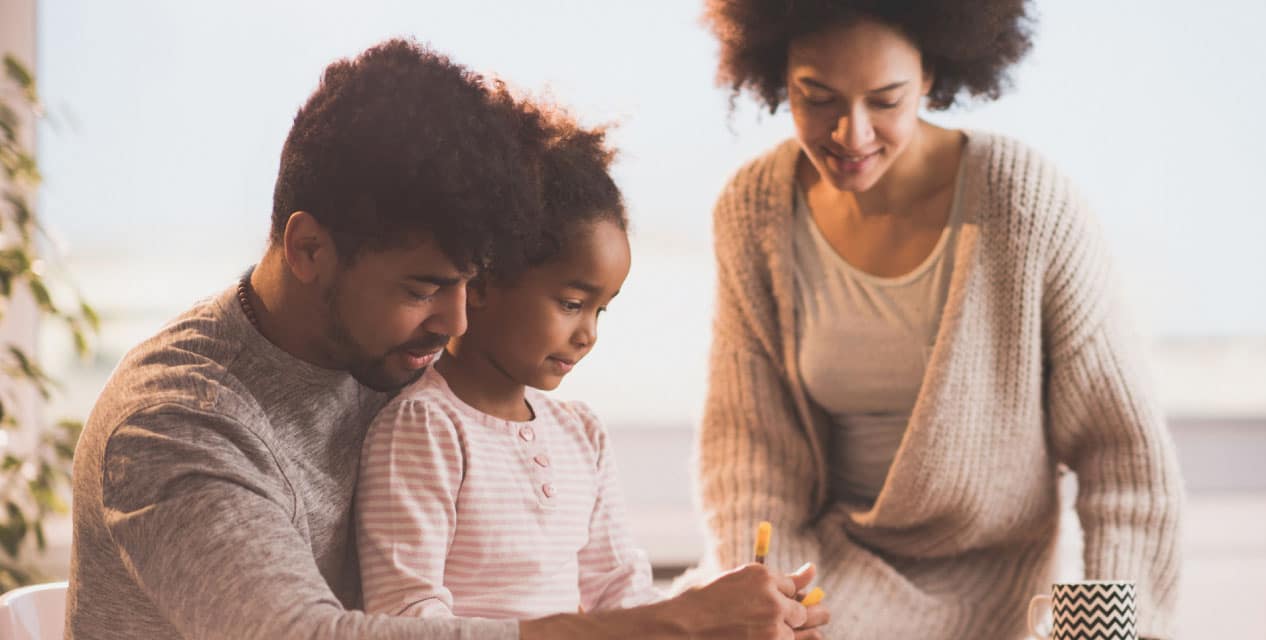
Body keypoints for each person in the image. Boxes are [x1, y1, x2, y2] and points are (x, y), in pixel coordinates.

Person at [66, 38, 827, 639]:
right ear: (308, 250)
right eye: (424, 287)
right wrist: (669, 626)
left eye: (473, 282)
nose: (459, 322)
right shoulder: (174, 424)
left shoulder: (397, 361)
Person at [695, 2, 1185, 638]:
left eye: (886, 99)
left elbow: (1123, 461)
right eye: (816, 97)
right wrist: (767, 606)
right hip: (827, 579)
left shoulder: (1021, 202)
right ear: (776, 71)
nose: (851, 134)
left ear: (930, 72)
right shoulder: (753, 210)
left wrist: (1118, 632)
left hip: (997, 592)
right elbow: (752, 457)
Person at [354, 104, 659, 617]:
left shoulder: (581, 433)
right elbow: (408, 609)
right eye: (571, 304)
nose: (588, 335)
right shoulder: (425, 429)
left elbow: (619, 588)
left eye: (601, 310)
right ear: (483, 284)